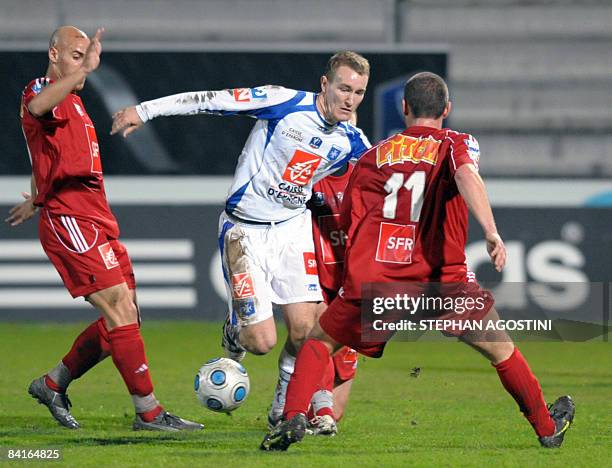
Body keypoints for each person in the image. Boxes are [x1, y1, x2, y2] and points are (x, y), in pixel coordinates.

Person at [260, 72, 575, 451]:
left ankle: (292, 416)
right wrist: (490, 230)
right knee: (501, 349)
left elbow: (354, 221)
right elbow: (466, 174)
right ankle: (545, 427)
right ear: (447, 109)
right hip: (442, 282)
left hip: (378, 280)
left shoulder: (372, 156)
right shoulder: (457, 143)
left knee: (318, 342)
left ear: (404, 108)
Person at [111, 51, 371, 426]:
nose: (350, 99)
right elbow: (213, 100)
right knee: (259, 342)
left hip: (292, 230)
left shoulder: (352, 140)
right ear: (325, 84)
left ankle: (282, 406)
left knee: (307, 329)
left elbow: (387, 171)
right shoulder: (282, 102)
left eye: (359, 92)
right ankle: (236, 330)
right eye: (344, 88)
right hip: (244, 230)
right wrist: (145, 111)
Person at [7, 26, 202, 432]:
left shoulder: (74, 102)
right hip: (71, 220)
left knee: (127, 315)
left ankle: (52, 384)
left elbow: (42, 156)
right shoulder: (39, 91)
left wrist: (34, 195)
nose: (81, 62)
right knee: (118, 308)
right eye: (75, 55)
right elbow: (37, 110)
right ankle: (148, 412)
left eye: (85, 56)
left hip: (96, 216)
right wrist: (86, 70)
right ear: (54, 52)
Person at [303, 160, 359, 437]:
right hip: (315, 282)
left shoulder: (366, 174)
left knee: (337, 409)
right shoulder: (310, 176)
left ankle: (304, 405)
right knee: (314, 337)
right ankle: (288, 407)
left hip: (351, 285)